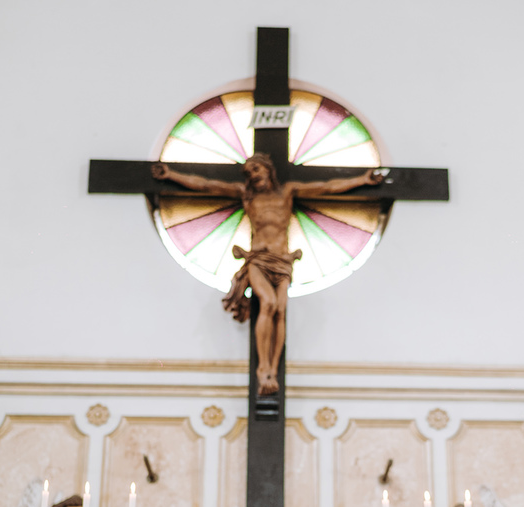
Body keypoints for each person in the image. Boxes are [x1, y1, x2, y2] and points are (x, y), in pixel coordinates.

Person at [151, 154, 382, 395]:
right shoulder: (246, 195)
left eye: (256, 168)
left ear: (268, 169)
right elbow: (206, 185)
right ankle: (263, 369)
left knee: (280, 311)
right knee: (268, 304)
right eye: (249, 172)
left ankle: (272, 368)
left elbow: (327, 187)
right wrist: (171, 175)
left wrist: (363, 180)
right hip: (258, 259)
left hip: (282, 261)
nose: (253, 174)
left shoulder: (288, 192)